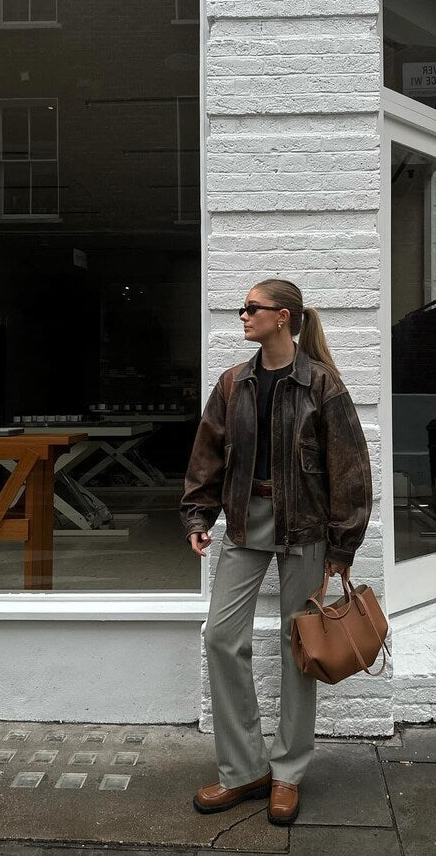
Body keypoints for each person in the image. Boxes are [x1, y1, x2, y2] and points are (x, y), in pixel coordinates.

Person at [180, 278, 372, 826]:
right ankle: (244, 769)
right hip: (246, 523)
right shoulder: (232, 383)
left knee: (299, 647)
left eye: (252, 308)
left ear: (283, 316)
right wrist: (199, 515)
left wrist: (342, 546)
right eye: (242, 309)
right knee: (221, 637)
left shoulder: (320, 384)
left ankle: (287, 771)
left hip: (306, 528)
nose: (243, 316)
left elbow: (350, 470)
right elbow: (208, 455)